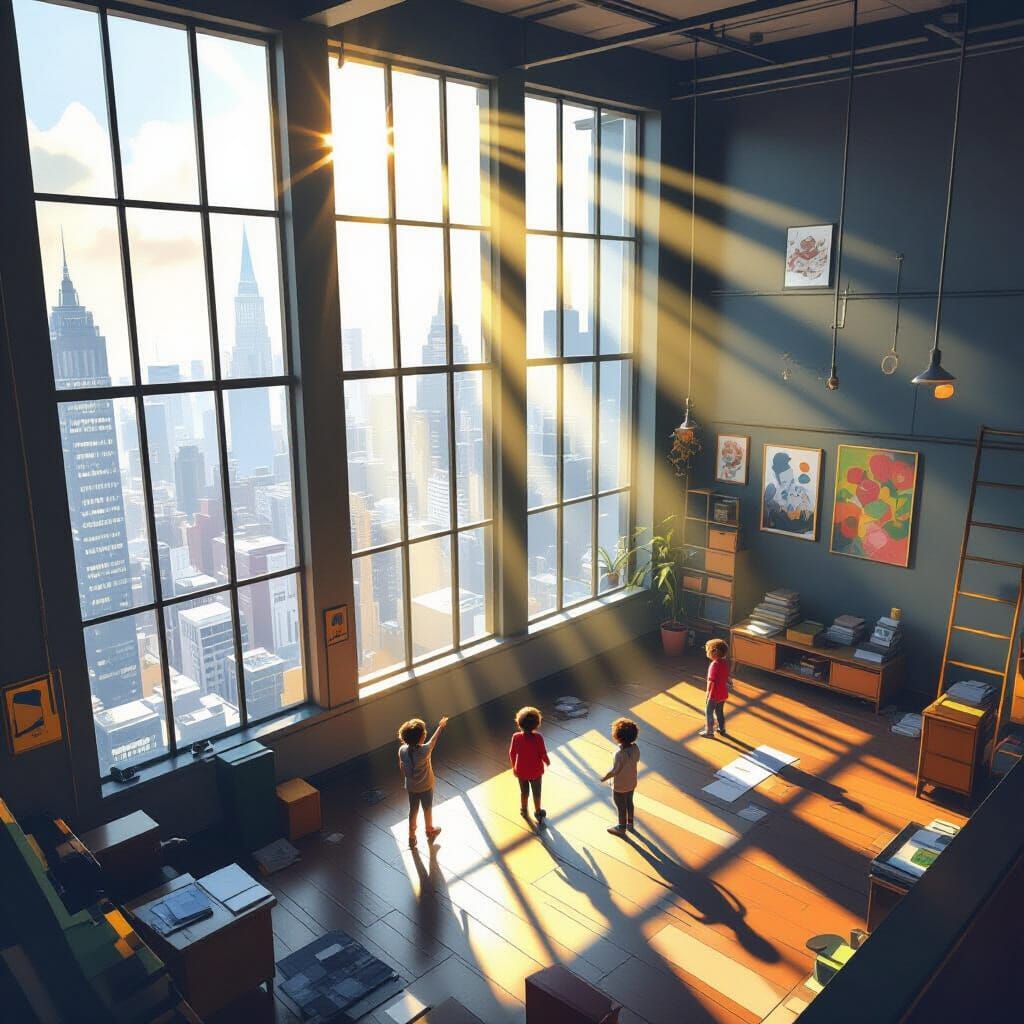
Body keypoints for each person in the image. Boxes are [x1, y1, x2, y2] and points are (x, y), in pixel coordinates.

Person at [397, 715, 449, 848]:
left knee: (413, 810)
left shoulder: (402, 750)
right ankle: (429, 829)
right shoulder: (425, 751)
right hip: (426, 785)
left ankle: (411, 835)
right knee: (427, 808)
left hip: (411, 787)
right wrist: (440, 726)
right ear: (422, 737)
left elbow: (402, 766)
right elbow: (434, 739)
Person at [509, 706, 550, 822]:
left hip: (520, 771)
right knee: (537, 793)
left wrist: (514, 767)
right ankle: (538, 811)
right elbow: (542, 753)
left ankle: (523, 809)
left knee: (524, 792)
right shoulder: (538, 738)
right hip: (536, 771)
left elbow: (512, 753)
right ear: (537, 723)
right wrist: (547, 761)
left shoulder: (516, 737)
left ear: (519, 723)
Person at [600, 717, 640, 835]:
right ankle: (630, 823)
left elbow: (615, 771)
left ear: (617, 736)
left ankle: (621, 828)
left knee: (621, 807)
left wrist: (605, 777)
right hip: (632, 782)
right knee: (629, 802)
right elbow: (636, 760)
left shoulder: (619, 754)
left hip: (620, 786)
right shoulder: (635, 748)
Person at [700, 638, 730, 738]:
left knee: (709, 712)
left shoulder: (714, 665)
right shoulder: (724, 663)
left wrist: (708, 693)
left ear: (714, 652)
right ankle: (722, 728)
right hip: (723, 693)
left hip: (714, 694)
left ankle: (709, 732)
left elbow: (711, 680)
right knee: (719, 712)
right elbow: (726, 676)